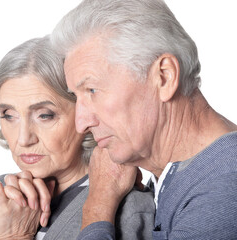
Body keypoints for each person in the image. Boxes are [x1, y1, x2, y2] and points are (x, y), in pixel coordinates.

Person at [49, 0, 237, 239]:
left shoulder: (224, 192)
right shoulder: (187, 177)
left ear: (164, 77)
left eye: (92, 90)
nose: (81, 123)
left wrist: (98, 207)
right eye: (77, 97)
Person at [0, 36, 155, 240]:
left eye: (45, 115)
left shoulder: (126, 210)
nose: (23, 139)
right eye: (9, 116)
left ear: (84, 114)